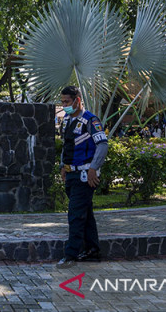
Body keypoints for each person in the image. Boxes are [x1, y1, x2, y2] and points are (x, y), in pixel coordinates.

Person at [57, 85, 108, 267]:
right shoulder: (68, 120)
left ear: (77, 100)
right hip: (72, 174)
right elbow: (67, 146)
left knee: (75, 214)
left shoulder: (90, 120)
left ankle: (71, 255)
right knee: (85, 213)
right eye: (62, 102)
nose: (64, 105)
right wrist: (63, 166)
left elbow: (102, 144)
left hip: (85, 175)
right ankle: (93, 250)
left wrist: (94, 168)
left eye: (67, 102)